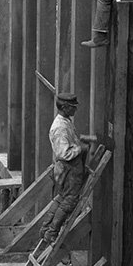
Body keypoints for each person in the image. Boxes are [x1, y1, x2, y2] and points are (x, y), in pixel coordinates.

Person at [41, 93, 95, 244]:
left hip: (70, 168)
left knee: (61, 198)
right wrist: (81, 148)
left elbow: (69, 142)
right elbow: (64, 153)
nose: (75, 110)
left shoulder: (65, 122)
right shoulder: (60, 128)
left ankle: (46, 229)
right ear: (64, 107)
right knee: (69, 201)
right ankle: (51, 232)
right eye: (73, 107)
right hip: (69, 168)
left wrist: (81, 140)